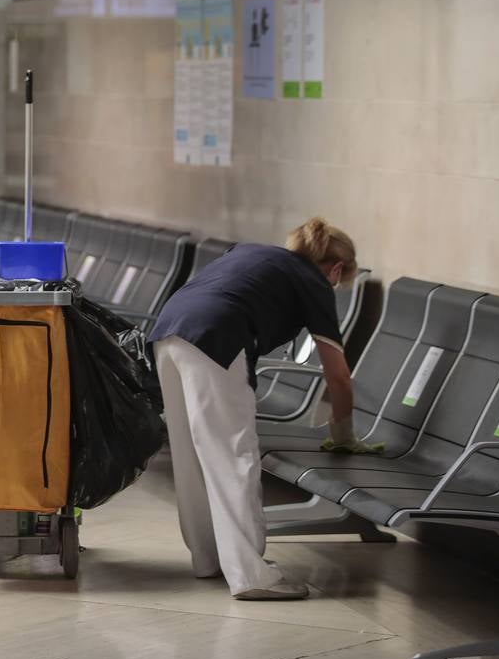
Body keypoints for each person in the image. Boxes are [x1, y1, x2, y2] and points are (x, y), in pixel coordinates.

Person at [149, 218, 369, 601]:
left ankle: (207, 558)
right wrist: (344, 436)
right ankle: (252, 575)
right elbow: (339, 377)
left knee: (191, 453)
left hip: (169, 330)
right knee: (233, 455)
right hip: (217, 336)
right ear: (335, 269)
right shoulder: (314, 282)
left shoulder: (252, 252)